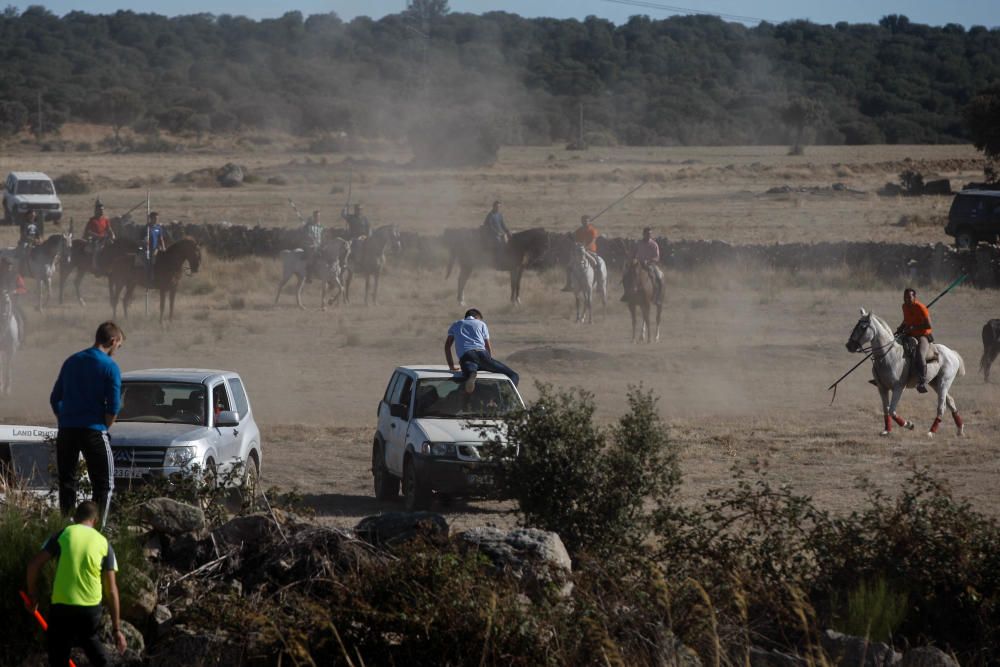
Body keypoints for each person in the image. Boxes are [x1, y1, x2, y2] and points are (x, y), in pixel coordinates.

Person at [24, 501, 127, 667]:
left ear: (75, 518)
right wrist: (117, 630)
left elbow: (33, 566)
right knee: (92, 644)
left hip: (62, 607)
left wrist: (32, 595)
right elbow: (112, 591)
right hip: (90, 609)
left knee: (58, 656)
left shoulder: (63, 534)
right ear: (96, 520)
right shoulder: (104, 543)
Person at [50, 321, 125, 528]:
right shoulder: (109, 366)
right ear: (113, 340)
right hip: (93, 430)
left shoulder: (72, 361)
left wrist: (64, 420)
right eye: (119, 346)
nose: (117, 350)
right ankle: (98, 532)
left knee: (67, 482)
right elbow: (114, 406)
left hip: (66, 431)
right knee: (104, 484)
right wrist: (104, 426)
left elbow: (55, 398)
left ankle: (66, 528)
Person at [444, 308, 519, 393]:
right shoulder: (481, 324)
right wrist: (489, 360)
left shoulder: (456, 324)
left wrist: (451, 366)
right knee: (514, 375)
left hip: (467, 355)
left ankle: (471, 374)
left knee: (470, 368)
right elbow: (487, 345)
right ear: (476, 317)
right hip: (482, 354)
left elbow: (447, 346)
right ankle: (503, 395)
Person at [897, 287, 933, 393]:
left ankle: (921, 381)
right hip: (909, 334)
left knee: (920, 355)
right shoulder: (904, 306)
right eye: (905, 297)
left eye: (909, 297)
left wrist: (913, 328)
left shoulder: (921, 307)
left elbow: (928, 325)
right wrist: (901, 327)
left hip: (922, 335)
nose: (906, 299)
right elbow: (906, 320)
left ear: (914, 297)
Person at [624, 227, 663, 304]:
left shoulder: (654, 244)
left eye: (650, 234)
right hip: (639, 264)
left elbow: (657, 257)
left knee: (658, 276)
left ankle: (657, 296)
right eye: (647, 234)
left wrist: (649, 261)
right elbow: (632, 254)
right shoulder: (638, 244)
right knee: (627, 275)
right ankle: (627, 294)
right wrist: (630, 260)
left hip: (650, 264)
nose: (649, 235)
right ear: (643, 234)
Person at [562, 214, 600, 292]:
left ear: (589, 221)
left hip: (590, 251)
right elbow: (574, 239)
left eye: (586, 221)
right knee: (569, 267)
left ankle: (599, 284)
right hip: (579, 252)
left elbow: (593, 241)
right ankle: (568, 284)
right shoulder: (579, 230)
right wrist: (569, 235)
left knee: (597, 265)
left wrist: (585, 248)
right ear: (581, 221)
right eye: (583, 221)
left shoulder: (593, 230)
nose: (585, 222)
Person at [84, 199, 116, 271]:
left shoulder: (105, 219)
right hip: (95, 240)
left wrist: (113, 234)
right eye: (100, 210)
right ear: (96, 210)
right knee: (97, 249)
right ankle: (94, 265)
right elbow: (89, 232)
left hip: (104, 239)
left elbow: (109, 229)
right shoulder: (92, 220)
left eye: (102, 210)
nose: (101, 211)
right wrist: (98, 236)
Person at [142, 212, 167, 280]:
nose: (156, 220)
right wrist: (145, 240)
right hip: (147, 249)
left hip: (156, 248)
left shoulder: (158, 228)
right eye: (155, 218)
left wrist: (164, 247)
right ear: (151, 218)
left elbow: (161, 239)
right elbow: (142, 238)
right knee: (150, 262)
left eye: (157, 218)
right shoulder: (147, 227)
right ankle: (149, 278)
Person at [302, 210, 324, 282]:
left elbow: (323, 235)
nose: (317, 217)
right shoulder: (309, 226)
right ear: (313, 216)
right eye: (316, 216)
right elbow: (306, 234)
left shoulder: (321, 226)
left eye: (318, 216)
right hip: (310, 245)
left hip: (319, 245)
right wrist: (311, 239)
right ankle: (309, 275)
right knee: (312, 256)